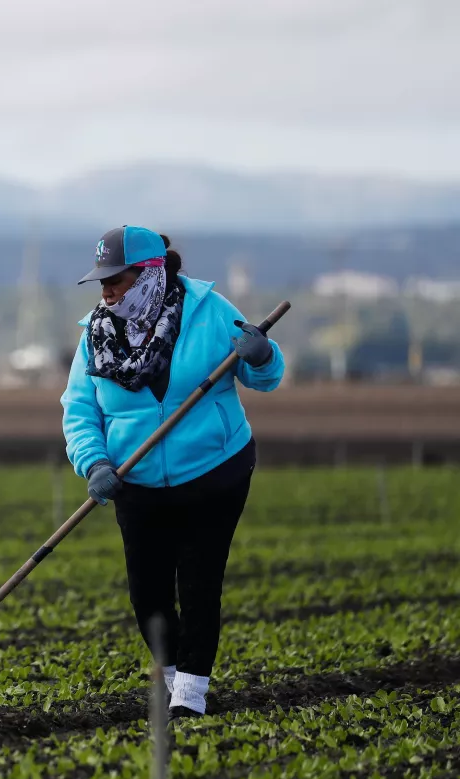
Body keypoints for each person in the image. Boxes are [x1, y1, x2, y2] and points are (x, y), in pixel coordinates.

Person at [59, 225, 284, 719]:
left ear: (150, 274)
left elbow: (264, 377)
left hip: (215, 471)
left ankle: (191, 692)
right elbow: (78, 408)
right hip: (134, 480)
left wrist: (262, 354)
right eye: (102, 282)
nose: (108, 291)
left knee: (200, 581)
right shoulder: (96, 334)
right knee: (147, 590)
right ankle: (169, 672)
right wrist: (94, 462)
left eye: (117, 279)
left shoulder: (210, 312)